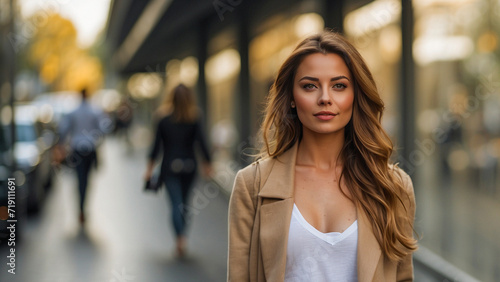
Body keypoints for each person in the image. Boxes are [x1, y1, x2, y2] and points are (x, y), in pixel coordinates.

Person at [227, 31, 418, 281]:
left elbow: (402, 277)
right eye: (310, 86)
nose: (325, 98)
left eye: (339, 86)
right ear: (293, 98)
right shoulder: (252, 185)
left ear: (355, 95)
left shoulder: (393, 186)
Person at [144, 83, 212, 257]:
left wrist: (149, 169)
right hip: (190, 166)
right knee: (186, 204)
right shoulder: (195, 117)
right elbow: (202, 143)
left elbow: (156, 147)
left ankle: (179, 238)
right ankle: (183, 235)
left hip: (170, 167)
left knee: (176, 203)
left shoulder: (162, 118)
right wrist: (207, 164)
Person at [58, 88, 110, 224]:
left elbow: (63, 130)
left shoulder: (73, 112)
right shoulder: (95, 111)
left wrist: (61, 145)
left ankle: (81, 207)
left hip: (77, 149)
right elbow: (104, 128)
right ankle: (82, 206)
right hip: (90, 148)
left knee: (80, 179)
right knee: (86, 180)